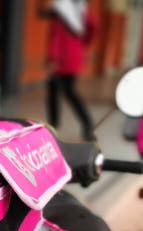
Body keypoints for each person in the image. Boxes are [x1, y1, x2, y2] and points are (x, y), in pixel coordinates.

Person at [43, 0, 98, 141]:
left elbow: (55, 36)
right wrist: (82, 44)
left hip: (60, 58)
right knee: (68, 91)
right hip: (75, 55)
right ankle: (87, 124)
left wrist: (52, 59)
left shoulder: (61, 8)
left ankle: (54, 127)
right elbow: (93, 27)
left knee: (59, 93)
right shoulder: (83, 8)